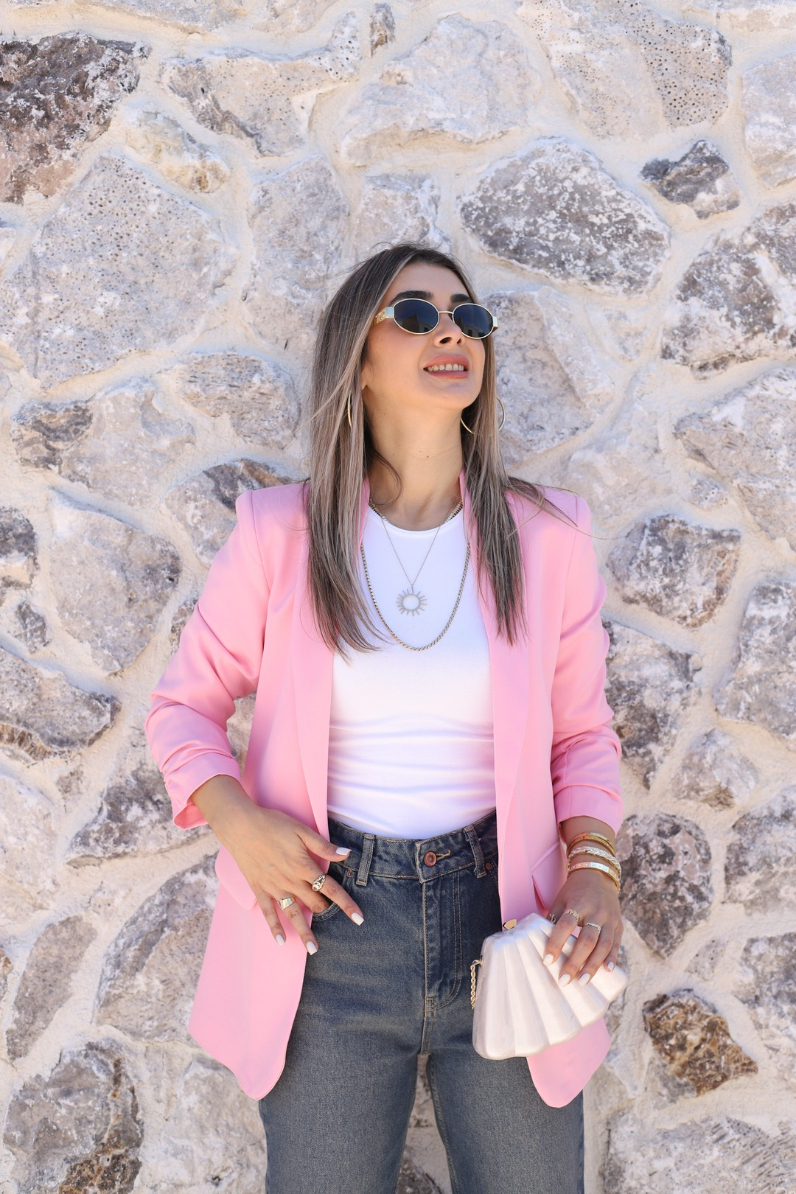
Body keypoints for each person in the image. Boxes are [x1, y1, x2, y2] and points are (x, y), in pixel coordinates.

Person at [145, 241, 624, 1193]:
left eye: (468, 317)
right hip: (329, 931)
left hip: (510, 923)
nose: (452, 332)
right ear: (356, 361)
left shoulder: (549, 537)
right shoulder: (280, 534)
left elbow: (582, 736)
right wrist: (241, 827)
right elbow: (183, 708)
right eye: (415, 315)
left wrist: (595, 871)